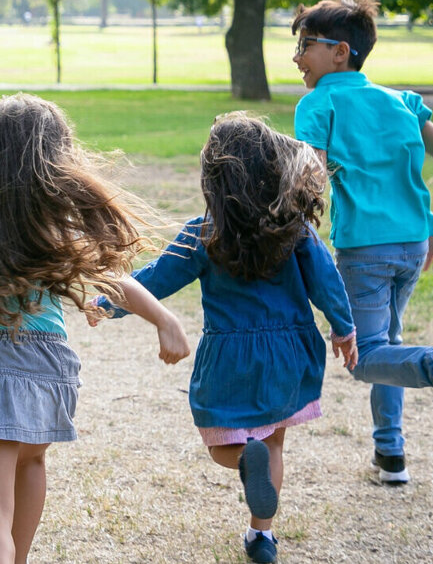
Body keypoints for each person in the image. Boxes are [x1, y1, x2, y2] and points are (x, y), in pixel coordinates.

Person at [0, 93, 190, 564]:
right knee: (32, 460)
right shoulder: (55, 225)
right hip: (52, 366)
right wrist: (164, 318)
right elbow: (117, 280)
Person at [91, 113, 358, 564]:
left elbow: (157, 278)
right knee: (272, 439)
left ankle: (242, 463)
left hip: (231, 355)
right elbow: (327, 280)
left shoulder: (203, 230)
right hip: (289, 352)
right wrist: (344, 327)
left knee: (223, 441)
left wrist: (108, 302)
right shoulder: (294, 226)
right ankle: (263, 536)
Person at [291, 0, 433, 485]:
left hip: (365, 249)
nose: (297, 57)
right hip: (414, 243)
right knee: (386, 346)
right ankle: (390, 456)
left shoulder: (317, 103)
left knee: (366, 357)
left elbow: (309, 179)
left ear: (340, 52)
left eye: (307, 44)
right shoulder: (401, 101)